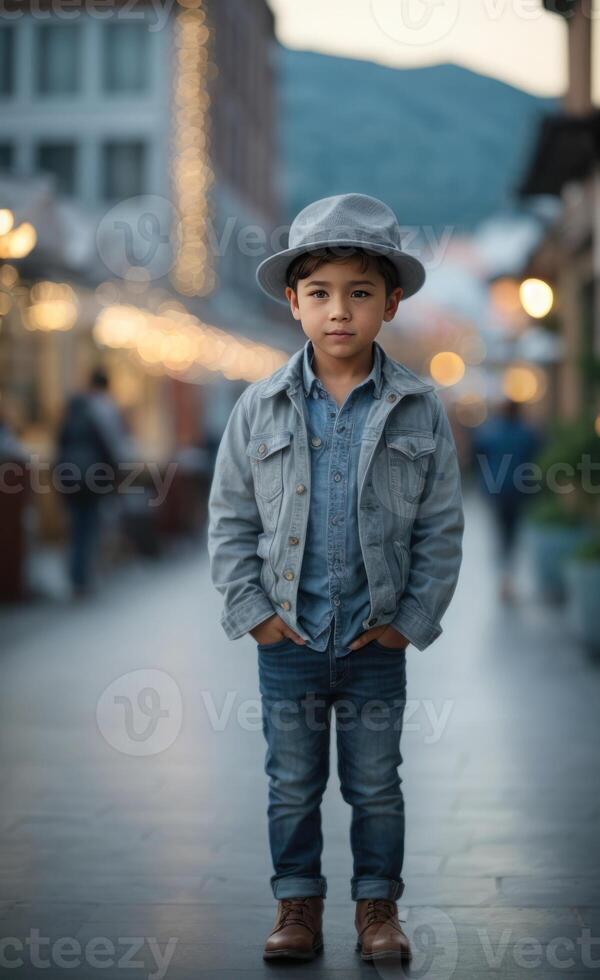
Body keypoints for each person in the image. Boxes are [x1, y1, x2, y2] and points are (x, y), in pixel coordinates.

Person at [207, 193, 465, 963]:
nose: (339, 311)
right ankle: (297, 908)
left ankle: (377, 908)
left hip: (372, 638)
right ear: (293, 303)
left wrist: (407, 622)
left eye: (360, 292)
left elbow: (441, 529)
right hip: (287, 634)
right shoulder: (259, 407)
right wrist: (253, 612)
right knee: (291, 783)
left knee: (376, 784)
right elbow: (230, 520)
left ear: (391, 302)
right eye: (320, 293)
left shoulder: (420, 410)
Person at [54, 367, 128, 596]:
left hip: (69, 480)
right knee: (91, 526)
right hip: (94, 480)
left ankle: (75, 575)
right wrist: (114, 474)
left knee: (75, 527)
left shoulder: (70, 417)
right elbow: (109, 448)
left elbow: (59, 447)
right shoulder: (104, 411)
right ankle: (86, 575)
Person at [471, 398, 543, 602]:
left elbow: (477, 457)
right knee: (512, 533)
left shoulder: (489, 432)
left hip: (496, 490)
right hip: (519, 490)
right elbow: (536, 454)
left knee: (501, 534)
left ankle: (505, 579)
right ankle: (508, 577)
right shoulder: (527, 433)